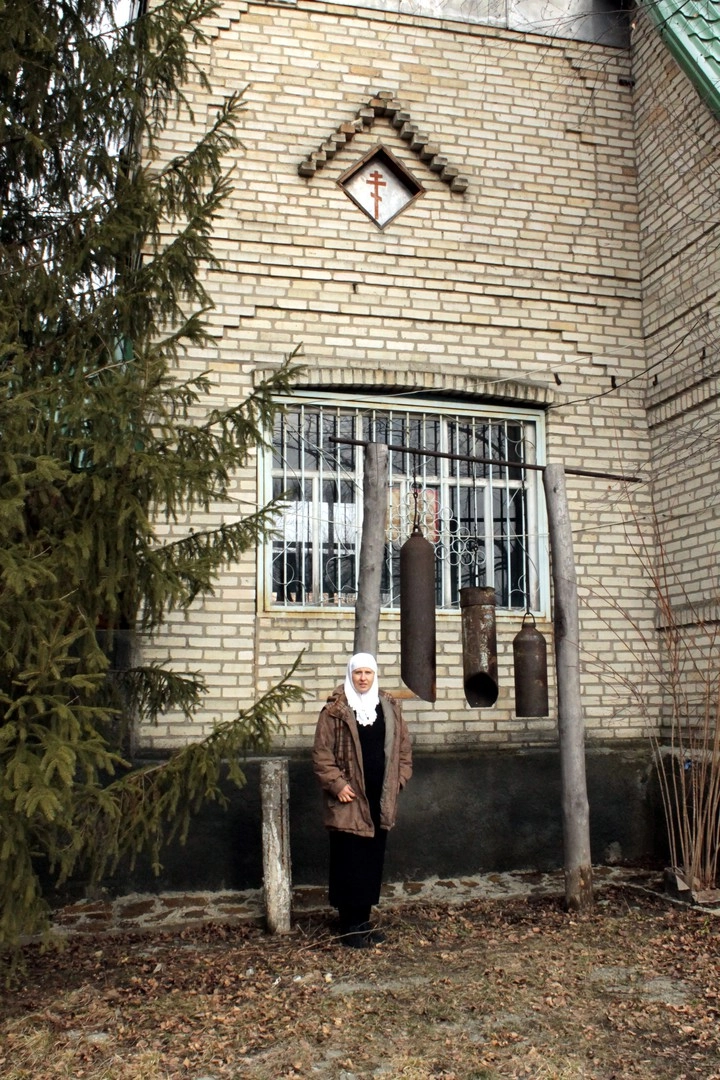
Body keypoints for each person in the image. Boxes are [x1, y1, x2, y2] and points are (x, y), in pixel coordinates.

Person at [312, 652, 412, 948]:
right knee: (349, 861)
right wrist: (337, 784)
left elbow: (403, 750)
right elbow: (321, 754)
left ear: (374, 675)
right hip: (349, 798)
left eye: (368, 672)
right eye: (358, 673)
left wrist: (398, 780)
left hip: (379, 797)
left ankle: (364, 922)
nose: (363, 678)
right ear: (350, 675)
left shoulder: (389, 708)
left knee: (371, 860)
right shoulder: (335, 711)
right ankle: (349, 926)